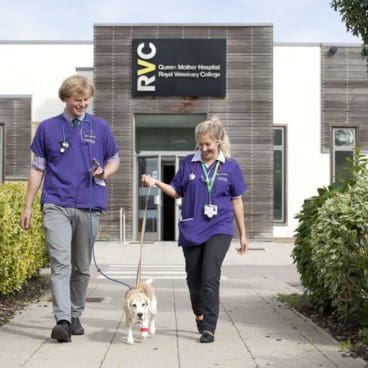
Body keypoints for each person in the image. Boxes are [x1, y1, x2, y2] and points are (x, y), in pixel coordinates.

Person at [21, 75, 120, 343]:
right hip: (56, 203)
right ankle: (63, 320)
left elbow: (115, 159)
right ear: (66, 98)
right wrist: (28, 206)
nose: (83, 104)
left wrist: (104, 172)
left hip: (89, 205)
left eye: (86, 100)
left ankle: (75, 314)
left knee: (81, 267)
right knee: (60, 263)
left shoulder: (99, 127)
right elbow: (37, 168)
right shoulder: (47, 128)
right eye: (78, 99)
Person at [141, 115, 248, 343]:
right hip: (192, 227)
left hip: (220, 227)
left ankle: (209, 326)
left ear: (218, 142)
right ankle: (199, 314)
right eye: (200, 144)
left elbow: (237, 200)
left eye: (208, 144)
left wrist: (243, 234)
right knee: (194, 279)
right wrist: (156, 183)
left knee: (210, 275)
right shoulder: (189, 162)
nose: (203, 148)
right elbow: (176, 191)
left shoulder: (230, 166)